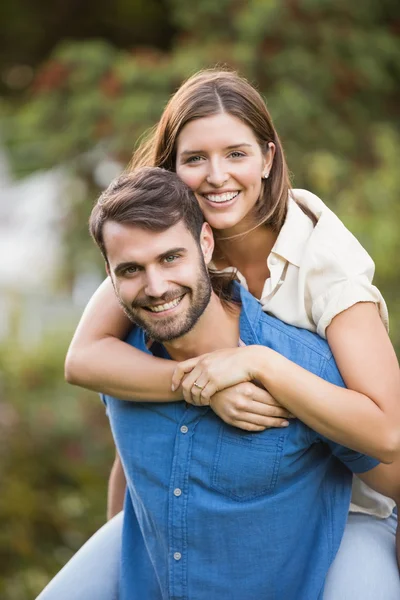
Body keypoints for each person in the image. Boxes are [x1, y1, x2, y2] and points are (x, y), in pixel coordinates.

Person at [58, 69, 400, 598]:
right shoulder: (162, 253)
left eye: (236, 154)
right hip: (203, 492)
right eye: (195, 159)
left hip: (348, 495)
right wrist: (203, 383)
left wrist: (257, 363)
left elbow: (387, 434)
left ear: (267, 158)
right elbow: (84, 360)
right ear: (172, 168)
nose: (216, 176)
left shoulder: (325, 263)